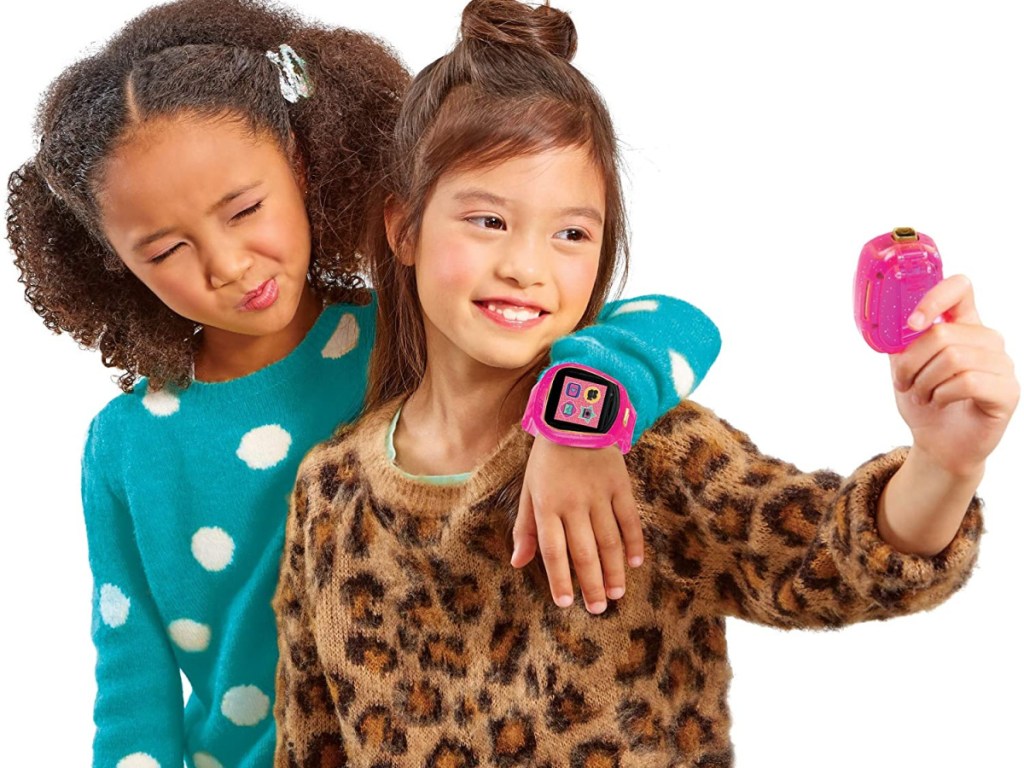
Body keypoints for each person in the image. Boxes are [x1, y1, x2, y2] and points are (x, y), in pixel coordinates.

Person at [272, 0, 1019, 765]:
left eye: (571, 233)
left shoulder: (649, 451)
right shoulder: (330, 490)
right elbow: (310, 743)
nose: (527, 266)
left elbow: (824, 560)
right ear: (403, 227)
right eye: (488, 221)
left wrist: (946, 463)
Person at [5, 0, 722, 766]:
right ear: (111, 261)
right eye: (166, 248)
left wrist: (577, 429)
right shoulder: (124, 446)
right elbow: (132, 688)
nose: (227, 263)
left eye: (245, 209)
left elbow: (674, 323)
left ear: (305, 162)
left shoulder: (416, 336)